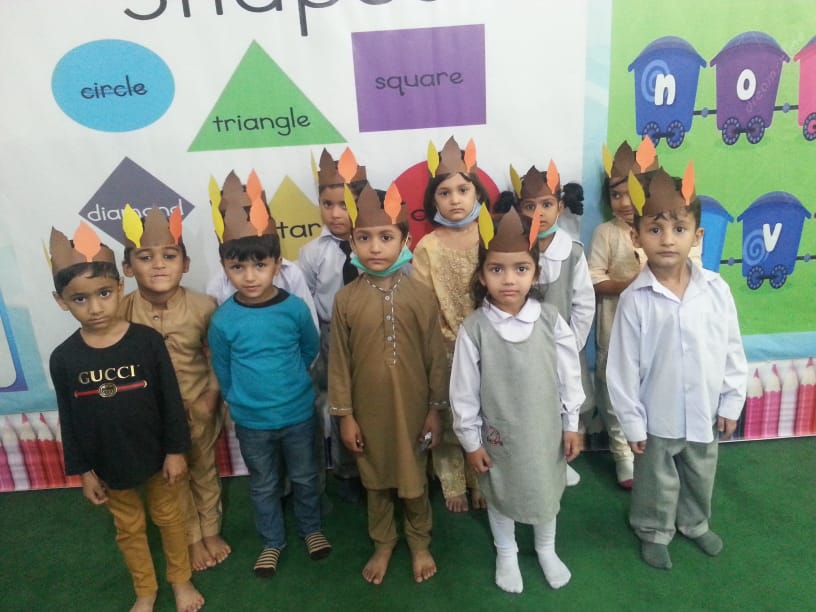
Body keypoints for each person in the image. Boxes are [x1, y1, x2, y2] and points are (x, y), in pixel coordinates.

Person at [47, 223, 204, 612]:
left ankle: (180, 580)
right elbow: (69, 417)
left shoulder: (147, 341)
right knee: (129, 529)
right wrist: (84, 471)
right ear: (61, 301)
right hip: (108, 465)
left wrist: (176, 451)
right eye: (80, 299)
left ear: (119, 287)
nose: (95, 307)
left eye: (103, 293)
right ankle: (145, 590)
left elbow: (170, 401)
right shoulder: (64, 358)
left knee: (170, 519)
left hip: (157, 457)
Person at [606, 165, 747, 571]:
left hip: (704, 409)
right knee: (656, 479)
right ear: (636, 237)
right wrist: (632, 423)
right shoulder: (635, 300)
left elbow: (732, 349)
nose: (667, 239)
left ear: (697, 236)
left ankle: (694, 521)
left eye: (679, 229)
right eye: (655, 229)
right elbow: (622, 368)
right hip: (658, 414)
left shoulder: (716, 290)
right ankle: (653, 529)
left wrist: (731, 402)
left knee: (701, 472)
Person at [450, 208, 584, 594]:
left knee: (545, 489)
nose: (509, 279)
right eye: (497, 269)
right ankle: (506, 552)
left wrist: (571, 424)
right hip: (499, 434)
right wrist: (471, 442)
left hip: (545, 433)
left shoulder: (551, 320)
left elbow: (569, 377)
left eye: (520, 269)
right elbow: (463, 392)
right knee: (500, 491)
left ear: (535, 274)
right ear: (482, 275)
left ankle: (546, 549)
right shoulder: (474, 329)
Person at [207, 171, 330, 578]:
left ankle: (311, 529)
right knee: (263, 483)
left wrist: (294, 384)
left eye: (260, 265)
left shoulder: (293, 308)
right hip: (252, 421)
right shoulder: (223, 319)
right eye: (237, 266)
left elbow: (309, 348)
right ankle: (272, 541)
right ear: (225, 267)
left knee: (306, 476)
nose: (249, 276)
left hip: (297, 413)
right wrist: (237, 399)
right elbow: (222, 365)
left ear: (277, 265)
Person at [328, 183, 448, 585]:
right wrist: (345, 416)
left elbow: (435, 357)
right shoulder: (345, 300)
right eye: (364, 238)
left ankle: (419, 541)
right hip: (368, 411)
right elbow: (339, 362)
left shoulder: (421, 296)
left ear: (405, 241)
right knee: (375, 480)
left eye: (385, 237)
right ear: (352, 243)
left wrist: (435, 410)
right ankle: (383, 541)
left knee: (414, 479)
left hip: (414, 409)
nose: (375, 248)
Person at [119, 206, 231, 571]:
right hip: (152, 417)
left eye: (169, 256)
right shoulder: (121, 312)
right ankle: (192, 536)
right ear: (127, 268)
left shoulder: (203, 306)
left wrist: (210, 396)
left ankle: (210, 529)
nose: (158, 265)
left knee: (204, 470)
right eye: (145, 258)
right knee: (171, 478)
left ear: (185, 264)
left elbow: (217, 357)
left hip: (198, 406)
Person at [412, 136, 487, 513]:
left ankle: (482, 478)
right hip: (445, 348)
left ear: (477, 193)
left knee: (485, 411)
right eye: (444, 193)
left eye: (463, 190)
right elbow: (423, 303)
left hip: (488, 343)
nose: (455, 199)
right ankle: (452, 480)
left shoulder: (489, 236)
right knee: (449, 411)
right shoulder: (428, 246)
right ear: (433, 200)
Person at [515, 163, 594, 486]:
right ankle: (533, 463)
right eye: (530, 206)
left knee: (563, 407)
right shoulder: (516, 251)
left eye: (546, 204)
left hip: (562, 349)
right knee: (531, 407)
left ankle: (560, 462)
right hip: (525, 350)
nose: (539, 213)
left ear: (560, 207)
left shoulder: (572, 252)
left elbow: (583, 303)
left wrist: (569, 346)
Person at [297, 148, 368, 503]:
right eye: (328, 204)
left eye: (344, 205)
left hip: (370, 334)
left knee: (370, 399)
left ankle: (374, 466)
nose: (336, 213)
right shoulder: (312, 253)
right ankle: (343, 470)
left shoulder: (375, 246)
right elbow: (307, 299)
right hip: (329, 335)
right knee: (336, 403)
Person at [587, 140, 656, 489]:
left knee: (652, 389)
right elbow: (593, 278)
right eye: (616, 195)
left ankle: (653, 451)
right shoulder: (606, 233)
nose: (625, 203)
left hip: (656, 333)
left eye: (633, 193)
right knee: (615, 392)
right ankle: (622, 453)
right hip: (614, 327)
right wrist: (629, 285)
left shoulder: (662, 228)